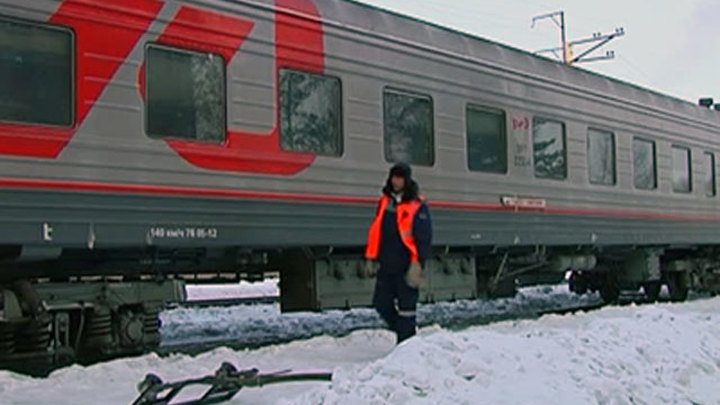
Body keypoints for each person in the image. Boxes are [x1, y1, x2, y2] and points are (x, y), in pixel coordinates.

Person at [363, 163, 432, 344]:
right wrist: (371, 257)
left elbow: (424, 236)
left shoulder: (417, 205)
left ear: (407, 180)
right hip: (386, 263)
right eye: (394, 177)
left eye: (400, 177)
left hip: (407, 263)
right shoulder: (385, 201)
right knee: (381, 304)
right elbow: (376, 230)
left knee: (406, 308)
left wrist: (418, 263)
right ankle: (406, 335)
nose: (396, 181)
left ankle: (406, 345)